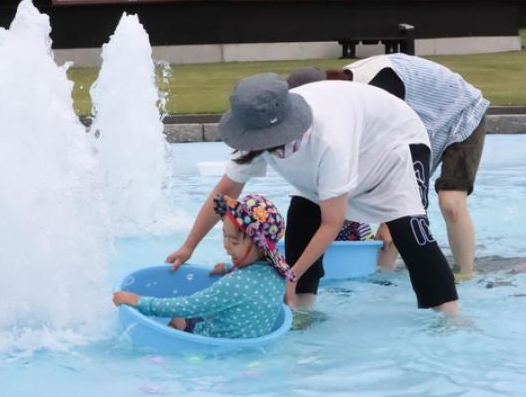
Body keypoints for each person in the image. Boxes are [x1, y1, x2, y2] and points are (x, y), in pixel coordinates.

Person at [167, 73, 458, 316]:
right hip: (347, 142)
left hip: (394, 143)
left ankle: (450, 316)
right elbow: (225, 193)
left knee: (408, 229)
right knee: (302, 216)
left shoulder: (329, 140)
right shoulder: (253, 126)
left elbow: (332, 222)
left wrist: (288, 276)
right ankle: (302, 310)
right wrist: (188, 246)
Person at [288, 53, 488, 280]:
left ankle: (465, 273)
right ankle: (382, 278)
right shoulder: (342, 103)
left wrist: (385, 222)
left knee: (450, 202)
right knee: (391, 214)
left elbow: (396, 157)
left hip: (463, 115)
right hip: (424, 123)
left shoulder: (378, 91)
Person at [113, 193, 295, 339]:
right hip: (250, 340)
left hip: (213, 342)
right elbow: (253, 280)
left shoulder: (234, 284)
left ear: (260, 245)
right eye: (224, 236)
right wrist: (226, 267)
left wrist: (139, 301)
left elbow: (187, 305)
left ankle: (177, 328)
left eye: (233, 241)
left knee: (177, 316)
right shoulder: (277, 272)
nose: (226, 246)